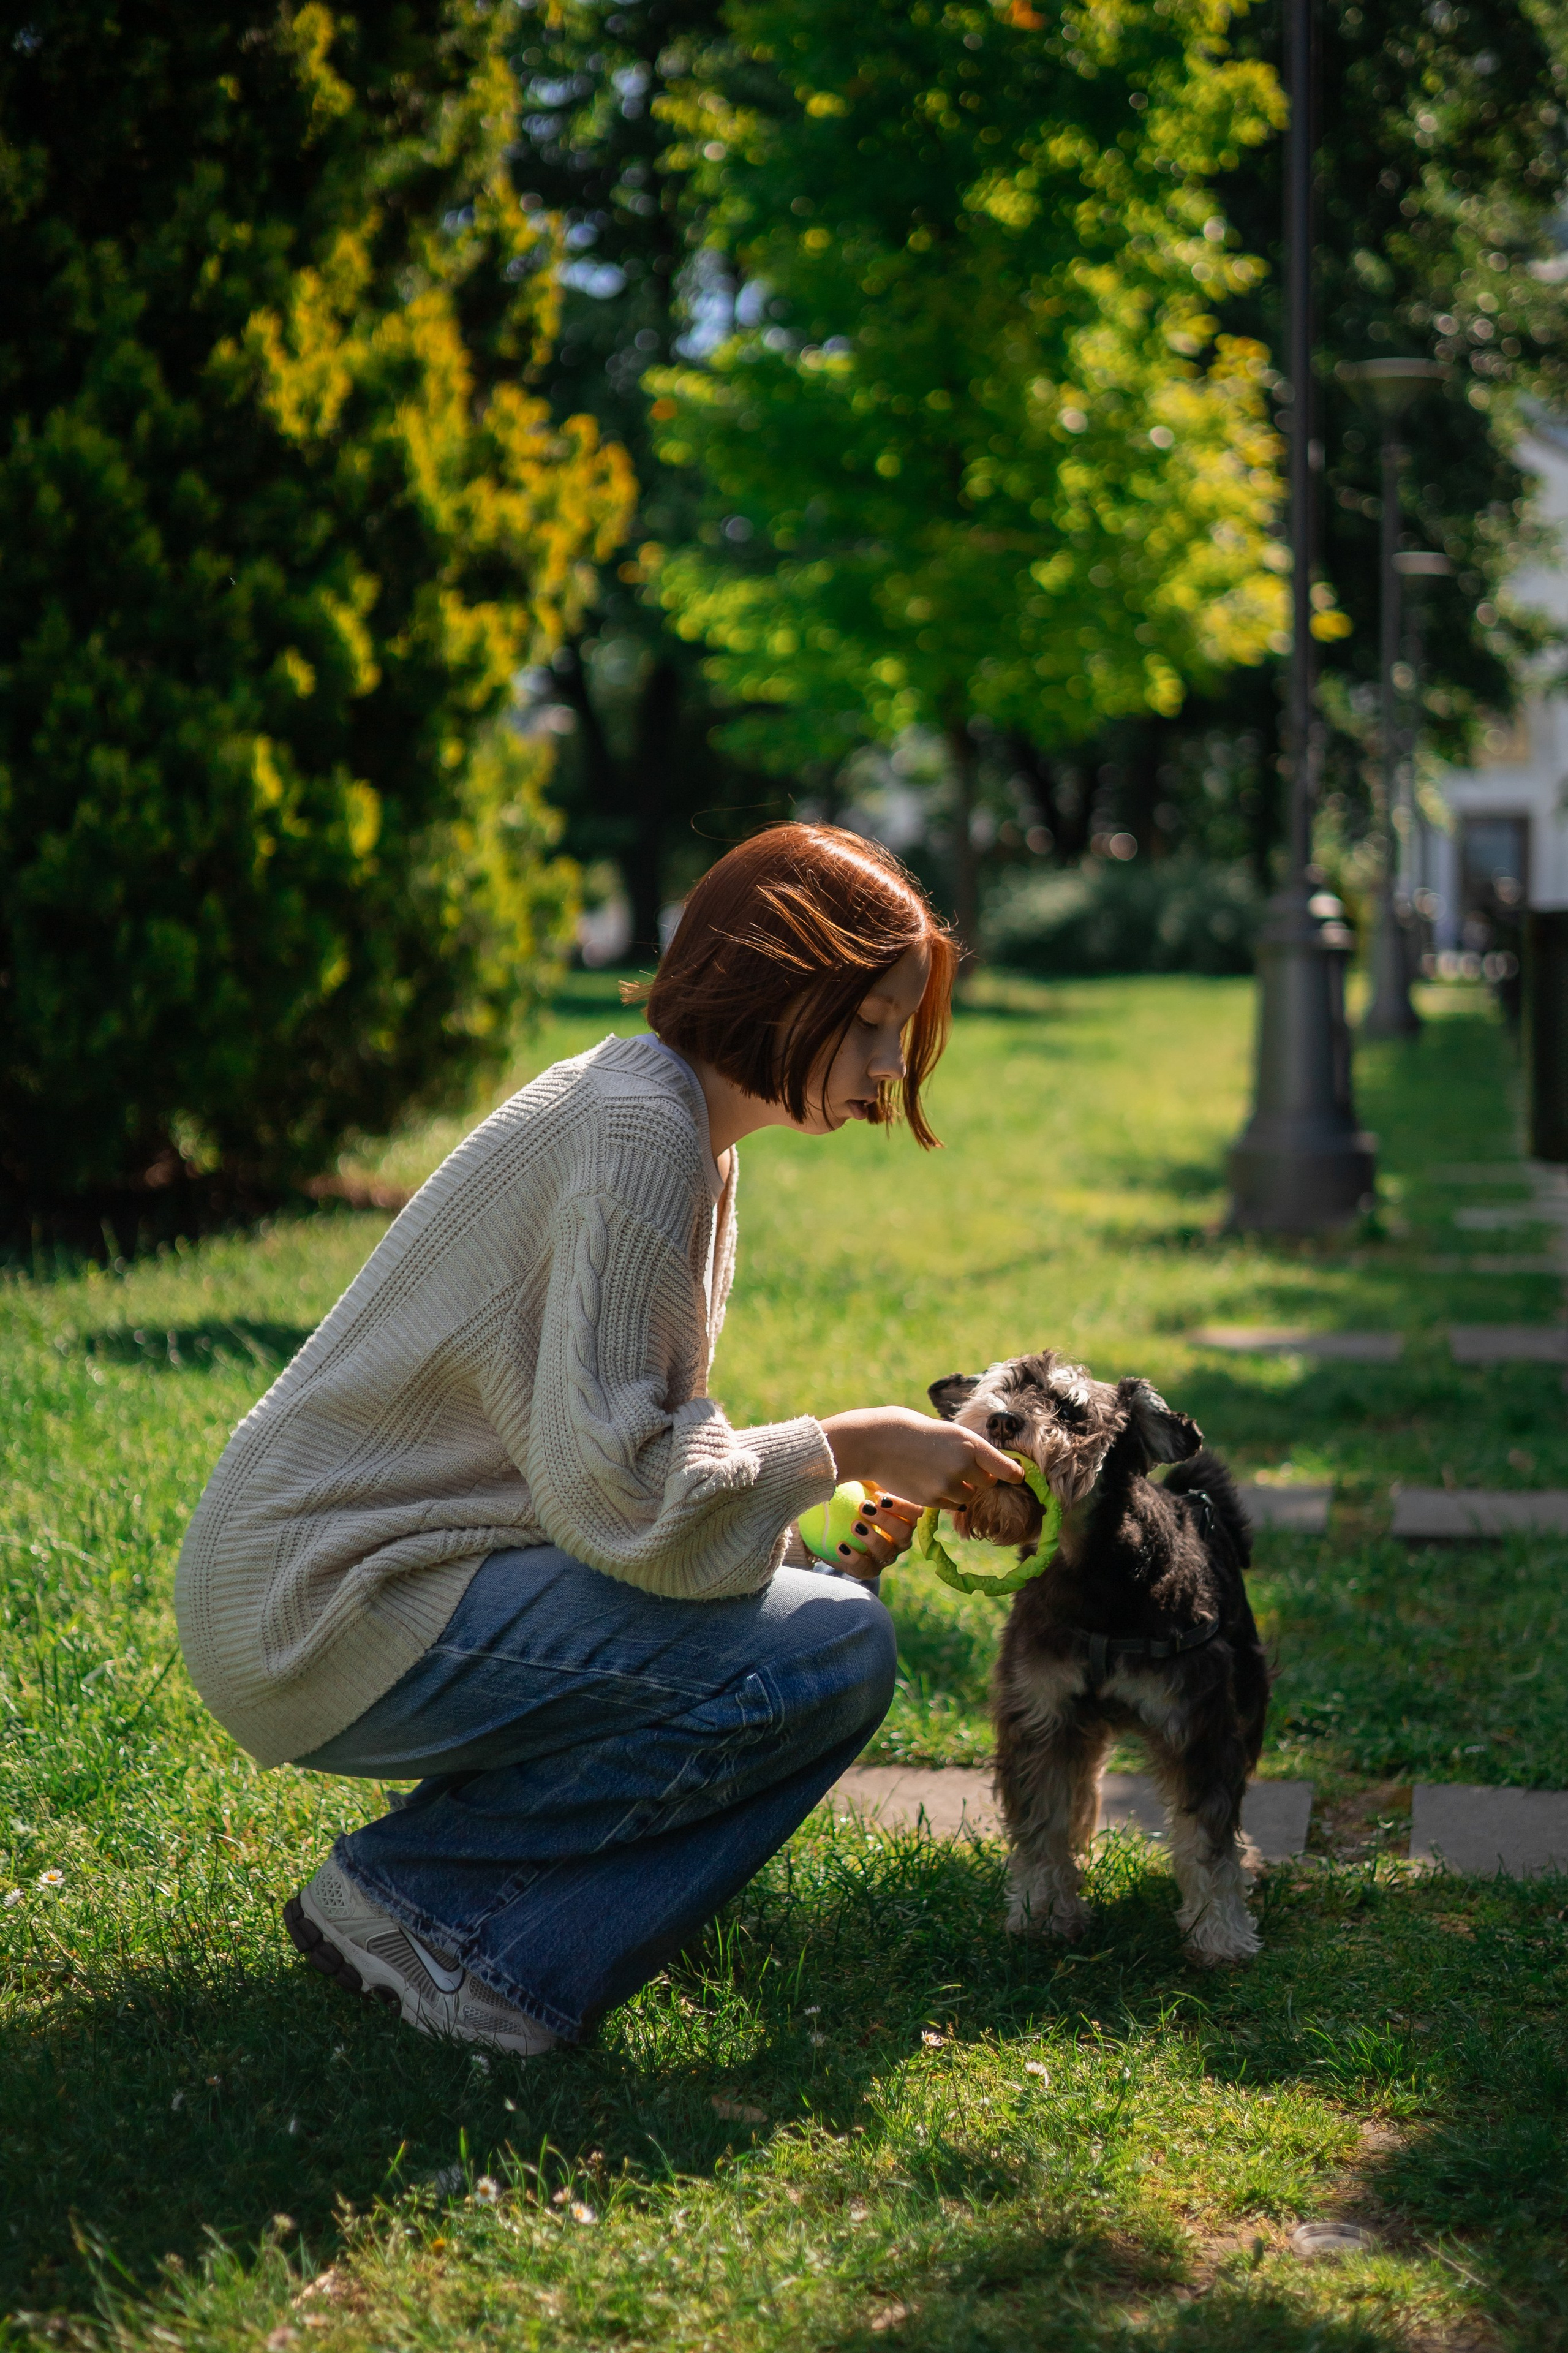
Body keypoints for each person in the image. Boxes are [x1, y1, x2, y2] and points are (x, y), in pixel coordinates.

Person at [175, 824, 1022, 2055]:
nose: (892, 1063)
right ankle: (432, 1919)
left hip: (360, 1584)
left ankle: (448, 1913)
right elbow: (623, 1497)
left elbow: (613, 1453)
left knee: (813, 1623)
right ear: (783, 982)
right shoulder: (640, 1130)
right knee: (826, 1653)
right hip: (323, 1604)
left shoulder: (676, 1123)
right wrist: (849, 1443)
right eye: (872, 1021)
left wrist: (786, 1530)